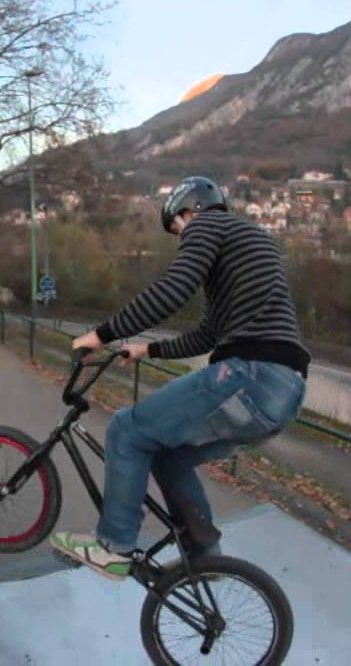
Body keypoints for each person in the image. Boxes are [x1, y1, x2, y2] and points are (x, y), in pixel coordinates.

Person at [51, 176, 310, 580]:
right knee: (169, 457)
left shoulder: (209, 224)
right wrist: (148, 349)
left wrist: (101, 335)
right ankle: (206, 558)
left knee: (127, 429)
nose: (182, 238)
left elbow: (173, 289)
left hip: (248, 374)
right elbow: (208, 335)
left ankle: (114, 545)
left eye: (178, 229)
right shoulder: (249, 243)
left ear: (190, 210)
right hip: (283, 391)